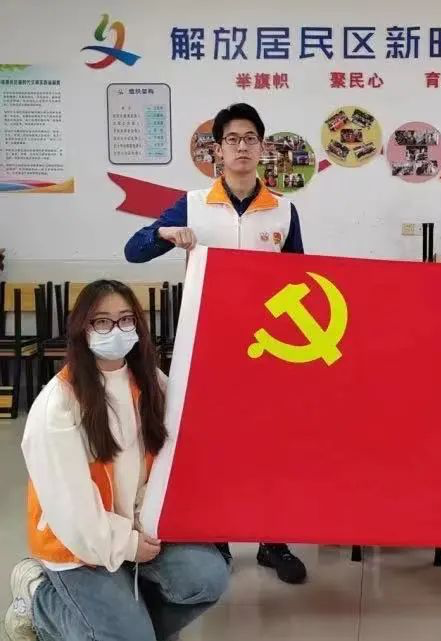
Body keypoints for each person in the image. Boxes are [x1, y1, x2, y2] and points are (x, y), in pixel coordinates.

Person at [123, 102, 307, 584]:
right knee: (214, 445)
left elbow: (301, 278)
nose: (242, 147)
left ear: (262, 148)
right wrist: (164, 233)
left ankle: (273, 541)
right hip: (208, 346)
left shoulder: (284, 211)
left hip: (269, 348)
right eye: (232, 139)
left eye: (250, 139)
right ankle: (218, 539)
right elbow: (134, 251)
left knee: (270, 444)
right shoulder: (192, 204)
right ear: (218, 151)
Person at [4, 280, 229, 641]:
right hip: (79, 543)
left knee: (208, 577)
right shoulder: (58, 406)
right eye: (102, 322)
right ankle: (38, 601)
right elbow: (74, 513)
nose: (117, 330)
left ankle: (126, 625)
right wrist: (125, 545)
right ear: (82, 329)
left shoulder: (150, 382)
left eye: (126, 320)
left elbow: (189, 438)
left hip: (139, 524)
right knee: (129, 634)